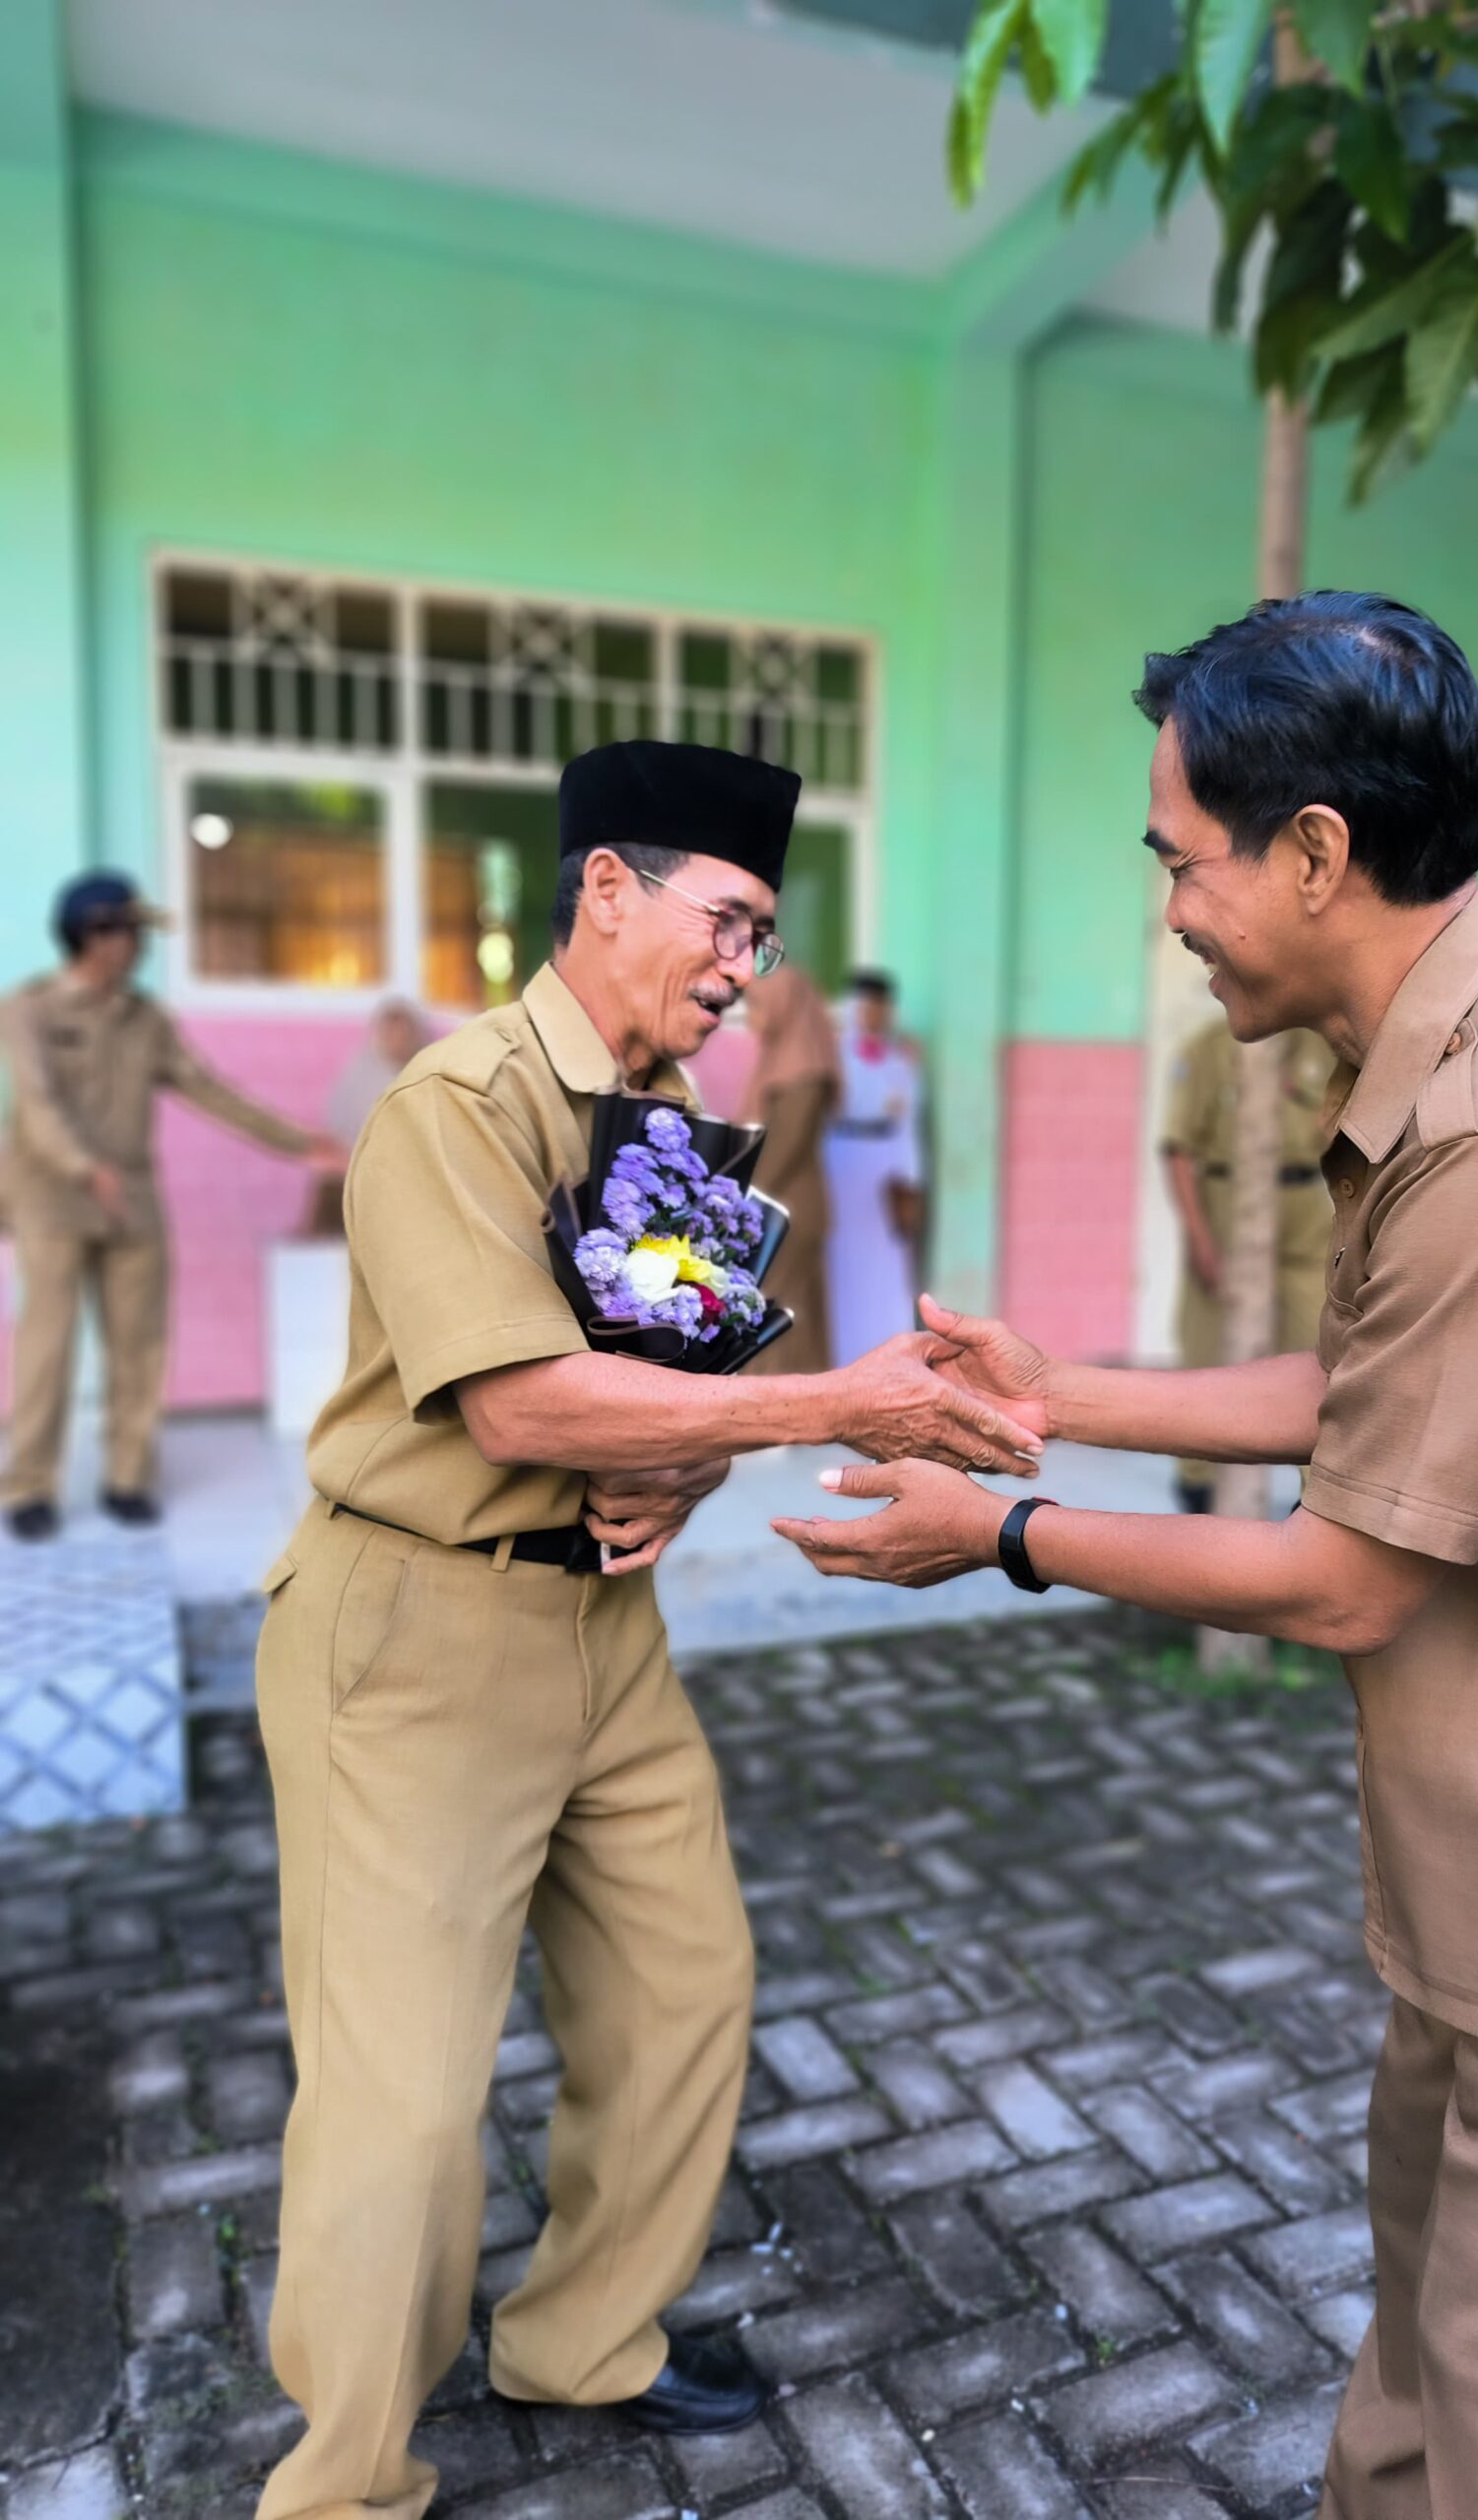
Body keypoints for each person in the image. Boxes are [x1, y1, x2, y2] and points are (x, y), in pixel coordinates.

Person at [775, 596, 1478, 2520]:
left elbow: (1350, 1576)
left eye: (1180, 863)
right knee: (1420, 2383)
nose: (1173, 913)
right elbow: (1377, 1391)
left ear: (1313, 850)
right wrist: (1060, 1392)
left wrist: (1007, 1531)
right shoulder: (1455, 1068)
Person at [252, 738, 1040, 2520]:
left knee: (687, 1990)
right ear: (606, 888)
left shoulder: (664, 1118)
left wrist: (680, 1475)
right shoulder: (454, 1104)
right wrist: (838, 1404)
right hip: (414, 1633)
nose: (748, 967)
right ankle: (345, 2482)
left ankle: (581, 2341)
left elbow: (657, 1381)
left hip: (606, 1629)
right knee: (404, 2103)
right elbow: (523, 1405)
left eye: (766, 935)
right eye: (730, 921)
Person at [0, 871, 342, 1540]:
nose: (139, 945)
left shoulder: (146, 1019)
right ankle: (30, 1486)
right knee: (46, 1346)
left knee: (140, 1344)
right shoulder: (28, 1010)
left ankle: (128, 1478)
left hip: (130, 1198)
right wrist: (82, 1166)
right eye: (130, 931)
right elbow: (36, 1106)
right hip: (51, 1195)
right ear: (93, 934)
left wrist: (299, 1144)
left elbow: (208, 1089)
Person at [1161, 1013, 1331, 1511]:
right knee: (1209, 1355)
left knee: (1321, 1356)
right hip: (1228, 1208)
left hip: (1305, 1209)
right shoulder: (1208, 1049)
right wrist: (1200, 1240)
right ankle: (1199, 1488)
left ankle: (1317, 1497)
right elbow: (1178, 1149)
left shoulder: (1318, 1046)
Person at [739, 959, 841, 1376]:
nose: (751, 1016)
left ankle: (780, 1400)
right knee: (793, 1305)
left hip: (788, 1208)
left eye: (758, 1005)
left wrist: (742, 1197)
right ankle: (804, 1398)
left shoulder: (803, 1072)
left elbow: (785, 1148)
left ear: (783, 1004)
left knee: (777, 1302)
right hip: (782, 1204)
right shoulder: (781, 1060)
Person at [824, 969, 927, 1364]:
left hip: (885, 1161)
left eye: (880, 1008)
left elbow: (908, 1124)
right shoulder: (832, 1056)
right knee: (841, 1258)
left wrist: (911, 1181)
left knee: (885, 1258)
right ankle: (841, 1357)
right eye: (865, 1006)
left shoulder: (901, 1062)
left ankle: (887, 1353)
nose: (872, 1015)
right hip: (840, 1156)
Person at [305, 998, 431, 1236]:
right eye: (391, 1034)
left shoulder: (429, 1074)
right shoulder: (358, 1075)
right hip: (358, 1168)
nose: (397, 1042)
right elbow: (339, 1129)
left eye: (404, 1035)